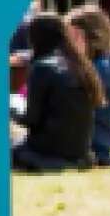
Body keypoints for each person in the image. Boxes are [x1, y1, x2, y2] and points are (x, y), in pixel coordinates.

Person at [10, 12, 103, 172]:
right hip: (80, 152)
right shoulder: (81, 65)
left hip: (48, 152)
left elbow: (31, 119)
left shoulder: (42, 68)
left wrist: (10, 111)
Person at [67, 4, 110, 168]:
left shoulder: (109, 64)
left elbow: (84, 89)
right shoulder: (91, 63)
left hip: (95, 144)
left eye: (73, 37)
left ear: (92, 36)